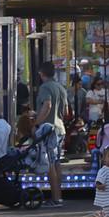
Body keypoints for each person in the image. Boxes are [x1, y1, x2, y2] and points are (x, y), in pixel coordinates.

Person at [33, 61, 70, 208]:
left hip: (49, 130)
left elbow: (47, 105)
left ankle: (55, 198)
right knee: (57, 162)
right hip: (60, 128)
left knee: (50, 164)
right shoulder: (61, 88)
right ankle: (59, 196)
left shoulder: (45, 87)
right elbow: (66, 112)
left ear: (41, 74)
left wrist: (37, 122)